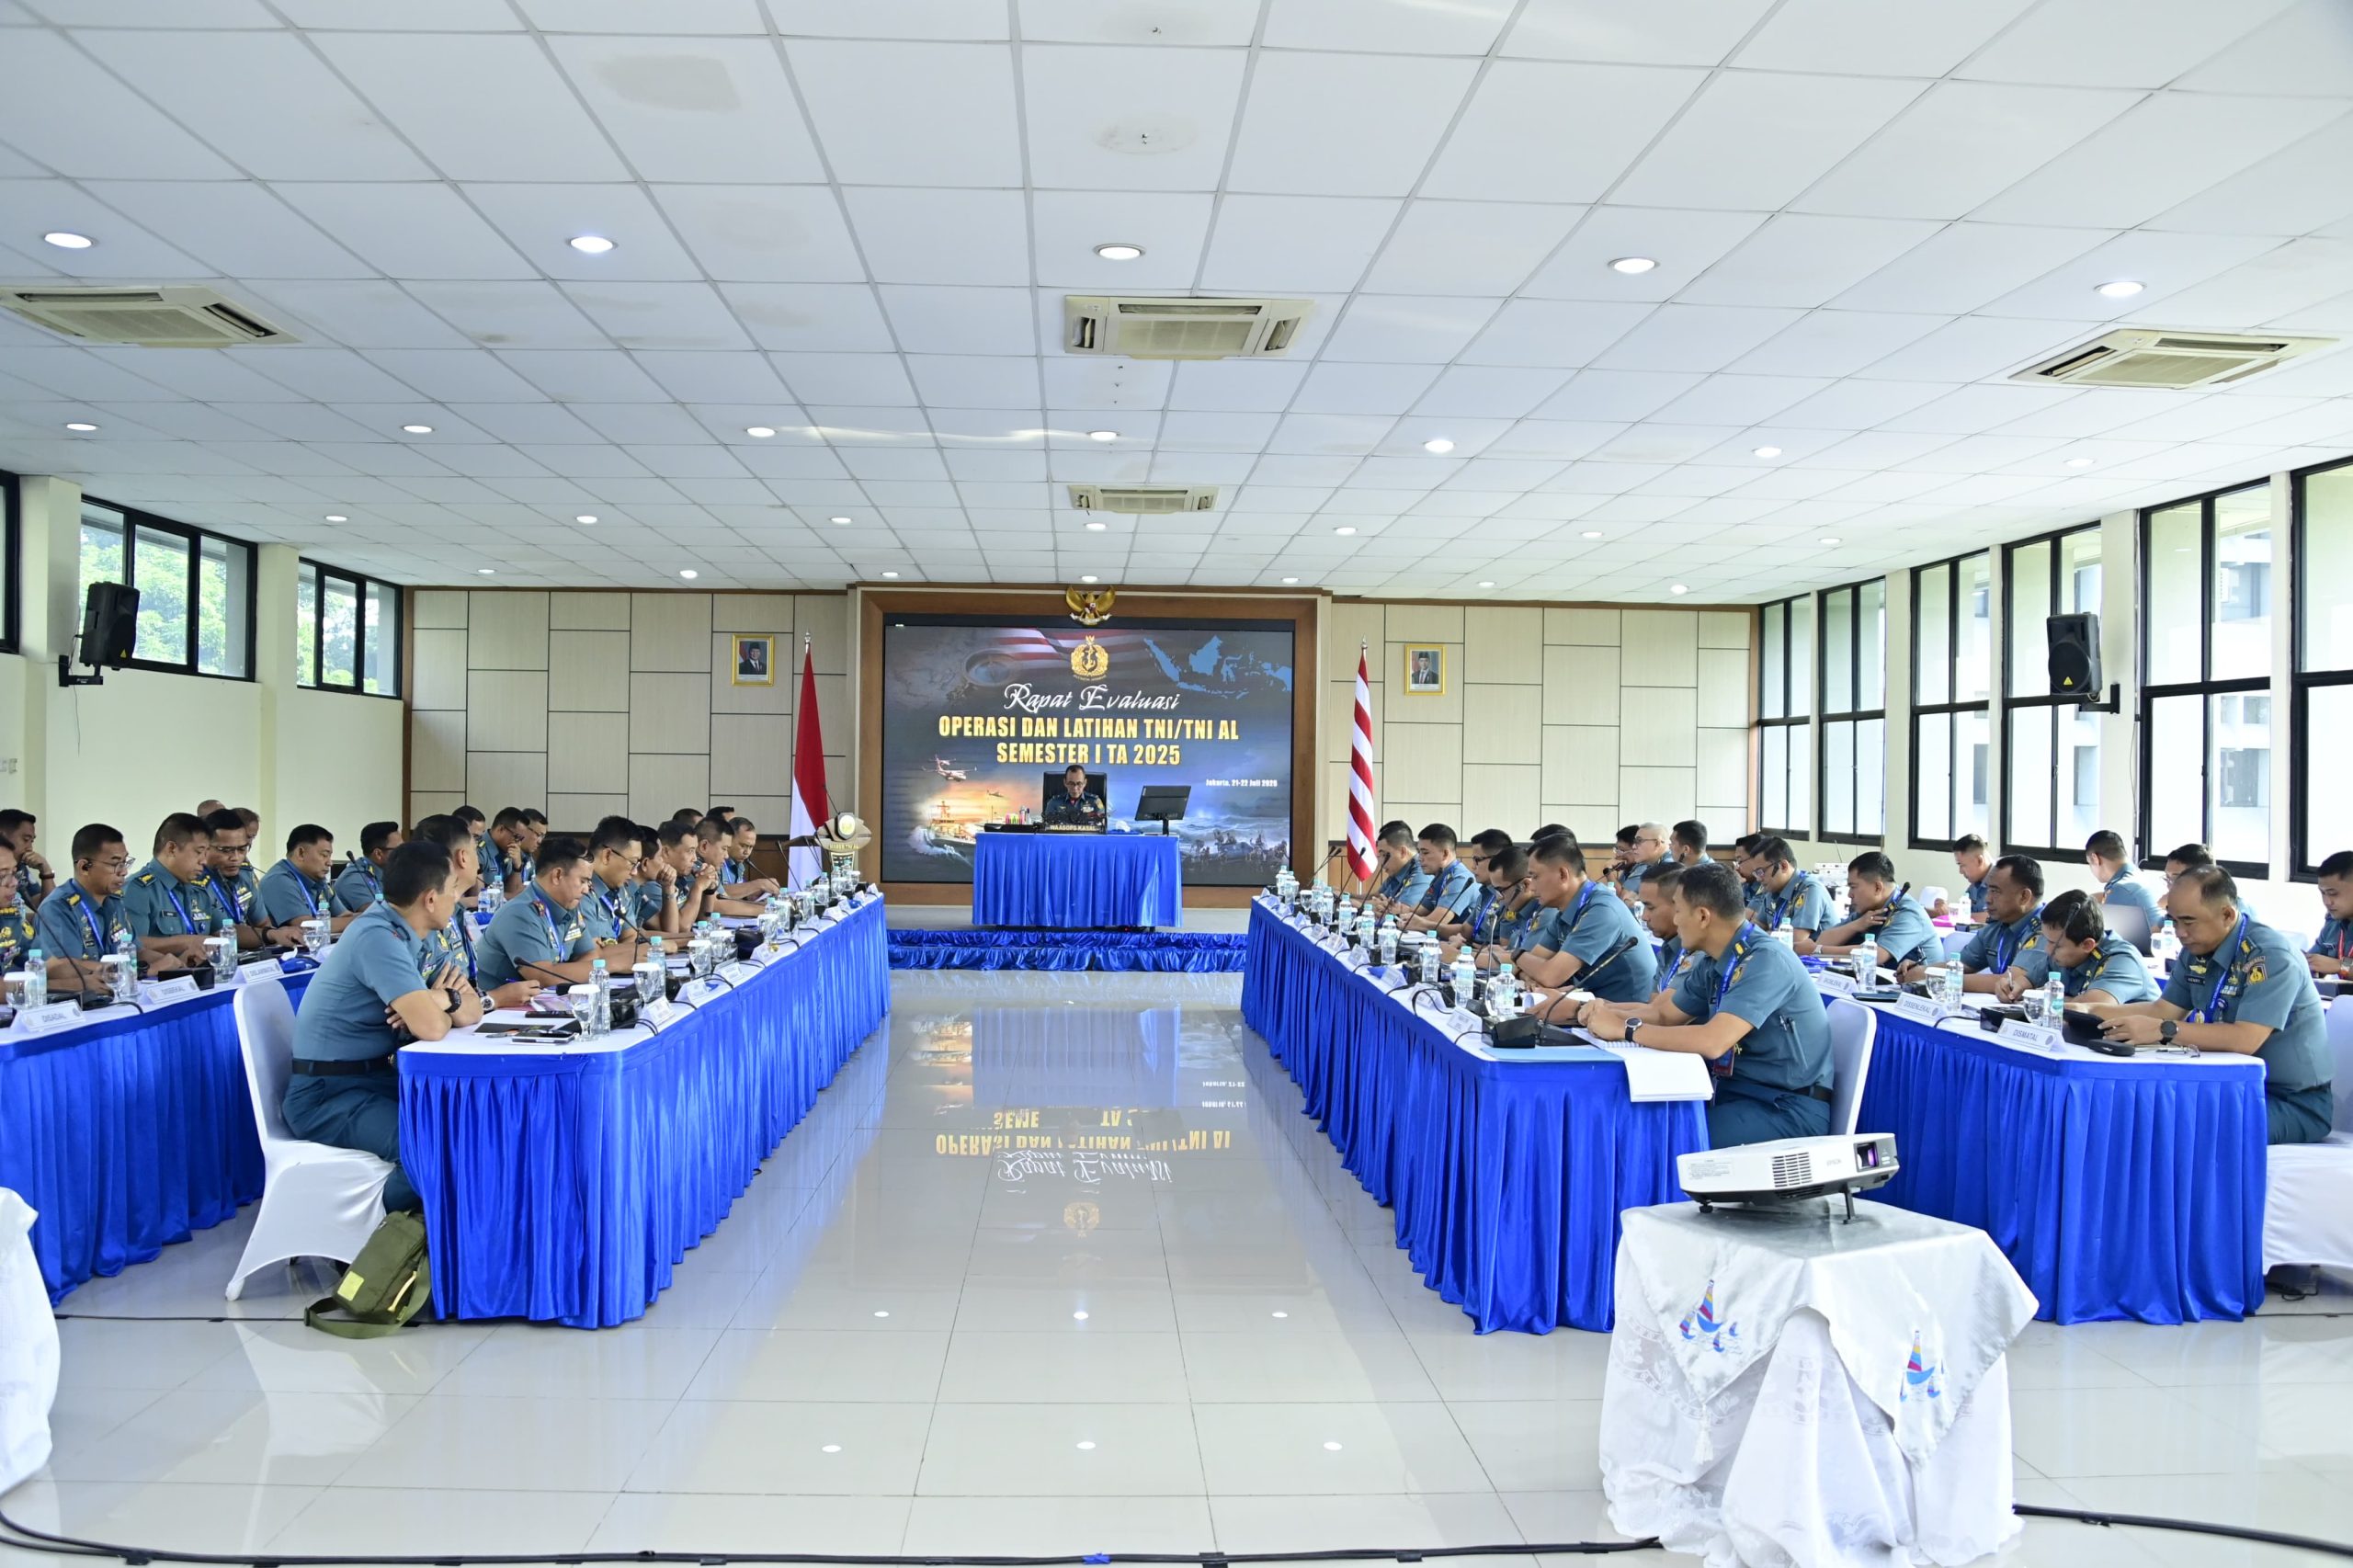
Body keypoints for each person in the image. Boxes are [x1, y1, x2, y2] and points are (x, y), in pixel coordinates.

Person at [282, 840, 484, 1212]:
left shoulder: (418, 934)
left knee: (468, 1122)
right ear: (430, 899)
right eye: (452, 890)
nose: (457, 899)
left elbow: (472, 1009)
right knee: (430, 1148)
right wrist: (437, 1005)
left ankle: (444, 1229)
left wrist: (442, 999)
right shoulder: (377, 937)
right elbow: (432, 1029)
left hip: (374, 1079)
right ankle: (387, 1235)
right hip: (328, 1094)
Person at [1582, 860, 1836, 1147]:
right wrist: (1603, 1011)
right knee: (1631, 1122)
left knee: (1661, 1142)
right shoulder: (1716, 959)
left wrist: (1626, 1029)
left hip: (1783, 1107)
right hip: (1733, 1094)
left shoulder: (1765, 960)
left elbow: (1712, 1041)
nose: (1676, 920)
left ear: (1703, 916)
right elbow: (1665, 1015)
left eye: (1679, 911)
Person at [2087, 868, 2333, 1145]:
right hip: (2224, 1087)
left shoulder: (2270, 956)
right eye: (2173, 921)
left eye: (2189, 922)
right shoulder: (2196, 948)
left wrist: (2164, 1030)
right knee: (2136, 1108)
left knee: (2185, 1128)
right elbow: (2163, 1010)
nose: (2179, 933)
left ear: (2227, 915)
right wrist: (2089, 1011)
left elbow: (2245, 1039)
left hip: (2288, 1100)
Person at [1513, 836, 1656, 1003]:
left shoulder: (1601, 910)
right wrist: (1527, 973)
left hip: (1626, 1010)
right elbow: (1534, 962)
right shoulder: (1565, 910)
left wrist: (1517, 954)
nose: (1531, 886)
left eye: (1535, 877)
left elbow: (1550, 976)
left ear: (1562, 874)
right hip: (1592, 1004)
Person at [32, 824, 165, 989]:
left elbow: (137, 951)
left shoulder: (115, 901)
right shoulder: (58, 908)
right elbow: (65, 966)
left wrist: (173, 963)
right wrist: (140, 971)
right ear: (84, 867)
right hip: (85, 998)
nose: (123, 871)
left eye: (125, 862)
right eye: (115, 864)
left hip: (119, 991)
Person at [476, 835, 612, 991]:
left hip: (546, 1000)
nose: (586, 890)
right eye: (582, 881)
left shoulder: (569, 907)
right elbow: (544, 977)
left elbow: (590, 954)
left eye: (588, 882)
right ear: (557, 875)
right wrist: (611, 965)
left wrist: (561, 972)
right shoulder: (520, 913)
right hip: (501, 1004)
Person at [1934, 855, 2052, 999]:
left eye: (1995, 891)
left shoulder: (2048, 928)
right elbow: (1961, 965)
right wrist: (1920, 971)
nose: (1987, 899)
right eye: (1988, 890)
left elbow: (2012, 981)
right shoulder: (1996, 925)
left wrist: (1938, 979)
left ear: (2024, 897)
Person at [120, 813, 219, 967]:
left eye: (206, 853)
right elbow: (132, 944)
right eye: (198, 852)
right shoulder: (138, 889)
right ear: (172, 848)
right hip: (159, 976)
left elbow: (221, 930)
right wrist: (186, 942)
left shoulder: (199, 888)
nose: (204, 861)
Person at [1820, 851, 1943, 969]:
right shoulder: (1869, 910)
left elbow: (1877, 955)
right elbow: (1822, 940)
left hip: (1919, 983)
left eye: (1853, 887)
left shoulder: (1908, 913)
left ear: (1878, 888)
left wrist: (1819, 951)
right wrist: (1856, 925)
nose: (1850, 894)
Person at [2041, 891, 2157, 1006]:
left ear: (2087, 945)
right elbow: (2033, 985)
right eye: (2048, 941)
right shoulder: (2061, 954)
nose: (2048, 950)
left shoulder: (2123, 961)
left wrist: (2049, 996)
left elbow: (2089, 1007)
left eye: (2056, 945)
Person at [258, 824, 362, 938]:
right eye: (324, 855)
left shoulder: (318, 880)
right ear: (301, 853)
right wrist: (362, 919)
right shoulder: (278, 880)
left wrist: (370, 916)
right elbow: (306, 926)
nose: (330, 863)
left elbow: (345, 916)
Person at [1421, 829, 1511, 943]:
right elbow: (1465, 931)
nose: (1473, 867)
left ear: (1497, 861)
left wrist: (1463, 950)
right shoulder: (1485, 892)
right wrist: (1423, 925)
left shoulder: (1509, 896)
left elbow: (1505, 949)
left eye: (1477, 860)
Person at [1747, 835, 1833, 953]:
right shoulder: (1771, 889)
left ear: (1783, 866)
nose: (1758, 878)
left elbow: (1794, 940)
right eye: (1756, 873)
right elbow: (1755, 929)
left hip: (1816, 959)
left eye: (1761, 872)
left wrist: (1763, 936)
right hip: (1781, 954)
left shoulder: (1810, 889)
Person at [199, 807, 267, 950]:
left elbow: (262, 923)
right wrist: (271, 935)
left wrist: (277, 935)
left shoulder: (245, 873)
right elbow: (221, 932)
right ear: (205, 847)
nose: (235, 858)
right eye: (225, 850)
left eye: (242, 849)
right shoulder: (196, 880)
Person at [581, 817, 651, 947]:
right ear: (607, 855)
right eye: (632, 863)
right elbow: (593, 953)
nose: (635, 872)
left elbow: (631, 936)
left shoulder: (620, 889)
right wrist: (652, 948)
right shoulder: (581, 891)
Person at [1399, 824, 1481, 929]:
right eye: (1419, 852)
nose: (1420, 858)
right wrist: (1395, 911)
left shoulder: (1460, 879)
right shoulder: (1440, 876)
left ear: (1445, 854)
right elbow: (1419, 910)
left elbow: (1436, 921)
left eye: (1425, 853)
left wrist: (1405, 920)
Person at [2085, 830, 2162, 930]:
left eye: (2089, 863)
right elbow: (2105, 896)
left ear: (2095, 858)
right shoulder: (2137, 876)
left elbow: (2110, 934)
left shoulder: (2120, 888)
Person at [1639, 864, 1697, 998]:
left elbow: (1664, 1010)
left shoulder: (1699, 952)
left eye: (1650, 908)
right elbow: (1654, 1004)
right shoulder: (1668, 946)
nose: (1644, 917)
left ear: (1678, 905)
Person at [334, 821, 404, 913]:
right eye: (400, 849)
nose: (404, 853)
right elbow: (376, 914)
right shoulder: (354, 878)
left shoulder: (390, 872)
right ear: (378, 854)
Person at [1365, 823, 1429, 912]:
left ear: (1402, 852)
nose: (1382, 862)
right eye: (1380, 855)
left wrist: (1356, 904)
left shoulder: (1421, 871)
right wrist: (1348, 898)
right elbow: (1377, 898)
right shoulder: (1399, 870)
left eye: (1385, 855)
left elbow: (1401, 911)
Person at [2308, 850, 2352, 977]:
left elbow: (2334, 965)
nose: (2327, 902)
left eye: (2333, 893)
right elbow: (2315, 960)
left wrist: (2340, 966)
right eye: (2323, 893)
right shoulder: (2333, 922)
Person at [0, 810, 53, 910]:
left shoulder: (20, 868)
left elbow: (47, 909)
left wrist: (46, 872)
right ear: (2, 836)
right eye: (26, 840)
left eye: (31, 841)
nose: (30, 848)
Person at [481, 807, 538, 899]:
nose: (518, 843)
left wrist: (517, 867)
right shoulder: (479, 850)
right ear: (501, 829)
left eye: (521, 839)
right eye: (516, 837)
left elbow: (513, 892)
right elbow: (478, 895)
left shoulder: (509, 850)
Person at [1933, 834, 1991, 920]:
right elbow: (1964, 911)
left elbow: (1995, 918)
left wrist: (1955, 914)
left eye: (1962, 865)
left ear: (1979, 861)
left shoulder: (2003, 880)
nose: (1960, 871)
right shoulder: (1975, 885)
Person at [0, 840, 33, 977]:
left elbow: (44, 961)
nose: (14, 883)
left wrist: (90, 974)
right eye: (2, 876)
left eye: (14, 873)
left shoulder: (10, 916)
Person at [726, 817, 782, 899]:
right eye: (743, 845)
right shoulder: (718, 862)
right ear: (728, 839)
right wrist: (759, 884)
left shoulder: (739, 865)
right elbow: (719, 893)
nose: (747, 852)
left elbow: (739, 892)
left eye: (750, 847)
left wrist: (751, 895)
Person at [1620, 823, 1672, 905]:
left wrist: (1637, 903)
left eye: (1639, 841)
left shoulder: (1670, 868)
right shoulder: (1650, 863)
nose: (1634, 847)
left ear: (1657, 843)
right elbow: (1629, 897)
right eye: (1634, 842)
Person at [1042, 763, 1106, 828]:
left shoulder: (1095, 802)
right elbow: (1047, 826)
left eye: (1079, 783)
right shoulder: (1054, 802)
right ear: (1065, 782)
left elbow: (1101, 826)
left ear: (1085, 783)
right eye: (1071, 783)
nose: (1075, 788)